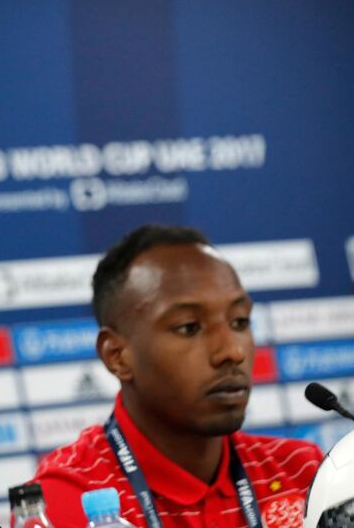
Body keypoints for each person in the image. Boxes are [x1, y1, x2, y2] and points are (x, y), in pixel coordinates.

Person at [33, 225, 323, 528]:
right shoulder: (67, 501)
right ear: (117, 356)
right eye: (189, 327)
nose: (232, 351)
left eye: (239, 321)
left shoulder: (303, 473)